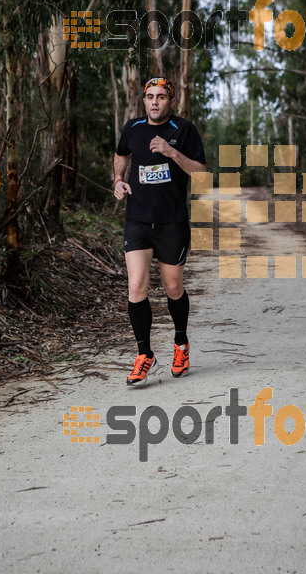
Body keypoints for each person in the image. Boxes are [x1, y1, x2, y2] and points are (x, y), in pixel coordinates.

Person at [113, 77, 207, 387]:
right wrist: (118, 179)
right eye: (150, 97)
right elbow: (121, 153)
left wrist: (171, 152)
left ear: (171, 101)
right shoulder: (133, 128)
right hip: (138, 220)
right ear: (144, 101)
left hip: (172, 222)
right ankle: (144, 355)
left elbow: (202, 173)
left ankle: (181, 344)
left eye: (161, 97)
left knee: (172, 286)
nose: (155, 102)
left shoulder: (184, 131)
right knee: (137, 284)